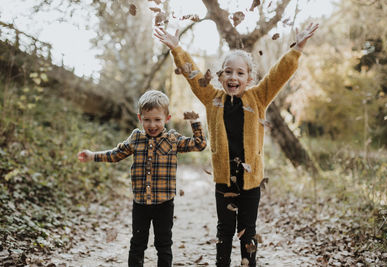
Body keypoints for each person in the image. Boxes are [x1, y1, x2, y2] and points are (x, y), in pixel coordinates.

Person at [154, 22, 318, 266]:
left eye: (240, 73)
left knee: (247, 231)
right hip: (224, 180)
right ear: (220, 76)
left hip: (251, 183)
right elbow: (192, 74)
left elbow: (278, 74)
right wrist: (176, 48)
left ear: (249, 78)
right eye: (228, 72)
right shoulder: (212, 99)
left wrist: (298, 48)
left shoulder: (259, 97)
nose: (234, 77)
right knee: (225, 230)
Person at [77, 90, 207, 267]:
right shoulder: (136, 138)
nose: (152, 125)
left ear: (166, 118)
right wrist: (93, 155)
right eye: (147, 120)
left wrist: (195, 123)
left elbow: (199, 145)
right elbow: (116, 154)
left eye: (157, 120)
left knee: (164, 244)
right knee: (137, 243)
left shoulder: (172, 139)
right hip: (140, 203)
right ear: (140, 118)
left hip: (164, 204)